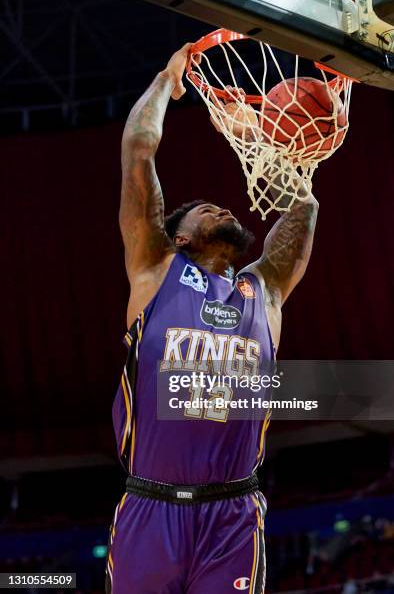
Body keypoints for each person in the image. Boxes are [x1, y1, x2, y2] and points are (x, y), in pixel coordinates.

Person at [106, 42, 319, 594]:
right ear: (177, 235)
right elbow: (138, 152)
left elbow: (305, 211)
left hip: (232, 516)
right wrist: (164, 79)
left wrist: (268, 142)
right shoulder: (156, 269)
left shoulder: (263, 291)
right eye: (205, 208)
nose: (223, 208)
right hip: (151, 509)